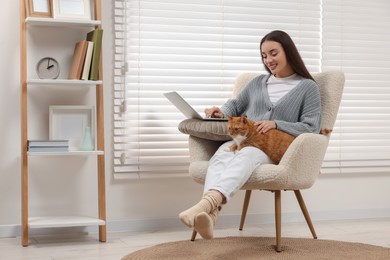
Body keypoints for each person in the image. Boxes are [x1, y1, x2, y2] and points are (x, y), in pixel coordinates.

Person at [179, 30, 322, 240]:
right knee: (219, 156)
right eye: (264, 56)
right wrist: (222, 112)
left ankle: (205, 206)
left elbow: (311, 127)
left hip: (270, 148)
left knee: (247, 156)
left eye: (273, 53)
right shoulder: (257, 83)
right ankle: (210, 217)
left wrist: (276, 123)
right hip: (243, 141)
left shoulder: (307, 87)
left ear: (288, 51)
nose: (269, 60)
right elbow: (235, 104)